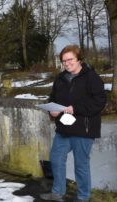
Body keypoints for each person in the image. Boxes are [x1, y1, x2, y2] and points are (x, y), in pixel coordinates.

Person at [40, 45, 106, 202]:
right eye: (64, 61)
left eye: (70, 59)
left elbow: (99, 102)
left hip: (84, 128)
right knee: (56, 158)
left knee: (81, 165)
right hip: (64, 127)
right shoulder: (60, 78)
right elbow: (53, 97)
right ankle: (58, 192)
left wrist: (74, 108)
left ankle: (83, 197)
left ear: (79, 59)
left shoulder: (92, 78)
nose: (67, 63)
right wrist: (52, 109)